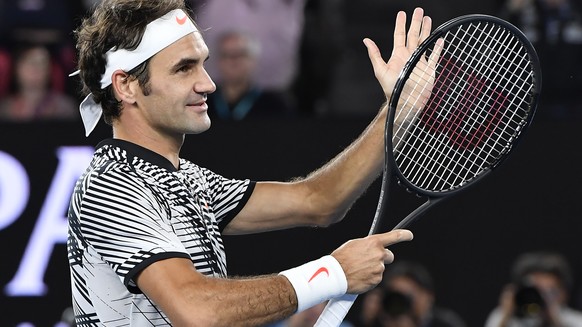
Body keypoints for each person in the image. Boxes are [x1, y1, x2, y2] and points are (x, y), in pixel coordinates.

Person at [67, 0, 436, 325]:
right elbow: (198, 312)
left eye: (202, 64)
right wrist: (333, 273)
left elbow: (318, 201)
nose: (208, 83)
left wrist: (398, 112)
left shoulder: (189, 179)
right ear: (126, 86)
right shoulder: (111, 183)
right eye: (184, 69)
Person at [206, 30, 294, 120]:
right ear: (217, 61)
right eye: (226, 55)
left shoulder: (275, 105)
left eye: (240, 54)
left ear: (253, 60)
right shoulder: (204, 102)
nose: (233, 61)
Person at [484, 251, 582, 327]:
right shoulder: (505, 317)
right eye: (536, 290)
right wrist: (505, 316)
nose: (542, 296)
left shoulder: (575, 321)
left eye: (549, 292)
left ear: (564, 293)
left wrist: (554, 320)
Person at [0, 44, 77, 121]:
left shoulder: (64, 107)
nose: (36, 69)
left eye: (42, 63)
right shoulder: (5, 109)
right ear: (17, 68)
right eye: (31, 63)